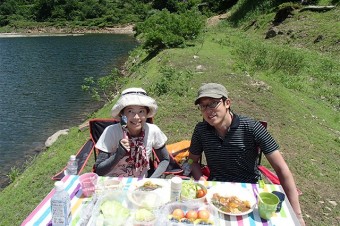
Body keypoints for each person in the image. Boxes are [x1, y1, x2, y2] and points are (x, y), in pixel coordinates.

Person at [188, 83, 305, 226]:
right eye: (203, 106)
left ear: (227, 103)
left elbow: (281, 169)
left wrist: (297, 215)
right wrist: (201, 180)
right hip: (216, 190)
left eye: (213, 103)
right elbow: (192, 161)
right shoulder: (201, 130)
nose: (208, 110)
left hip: (250, 190)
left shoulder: (251, 127)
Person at [94, 87, 170, 178]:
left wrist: (152, 180)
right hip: (113, 184)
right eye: (130, 111)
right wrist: (118, 154)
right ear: (122, 114)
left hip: (140, 185)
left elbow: (165, 159)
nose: (136, 117)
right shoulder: (111, 132)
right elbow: (99, 171)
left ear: (147, 114)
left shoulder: (153, 131)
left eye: (141, 111)